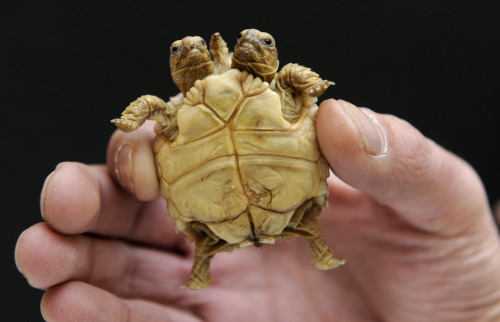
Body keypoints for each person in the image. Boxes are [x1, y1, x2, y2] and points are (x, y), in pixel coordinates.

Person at [15, 99, 500, 321]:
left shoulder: (274, 90)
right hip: (245, 198)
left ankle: (296, 243)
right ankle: (205, 260)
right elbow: (148, 116)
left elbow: (305, 94)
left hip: (248, 198)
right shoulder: (171, 112)